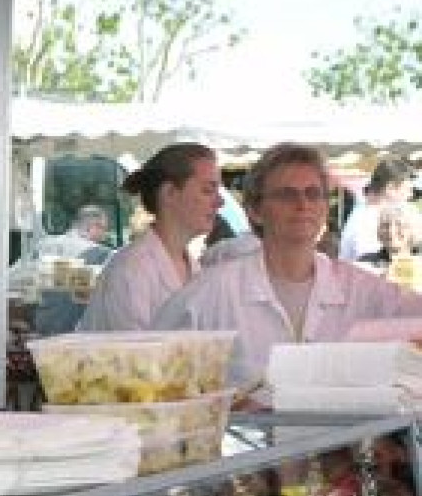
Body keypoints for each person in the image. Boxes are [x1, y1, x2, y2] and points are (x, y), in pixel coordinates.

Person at [151, 142, 422, 396]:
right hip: (245, 446)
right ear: (255, 210)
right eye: (286, 195)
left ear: (325, 208)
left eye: (313, 194)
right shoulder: (210, 293)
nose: (302, 204)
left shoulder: (359, 287)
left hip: (342, 446)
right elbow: (152, 373)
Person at [78, 143, 221, 332]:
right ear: (169, 193)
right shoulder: (132, 270)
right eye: (207, 190)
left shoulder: (193, 267)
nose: (220, 202)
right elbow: (134, 357)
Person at [338, 156, 414, 261]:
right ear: (390, 188)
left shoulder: (369, 215)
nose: (410, 195)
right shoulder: (368, 222)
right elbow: (371, 269)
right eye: (408, 189)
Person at [36, 203, 112, 265]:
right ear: (92, 227)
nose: (105, 234)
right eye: (104, 228)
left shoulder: (44, 244)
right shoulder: (100, 253)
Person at [356, 204, 418, 271]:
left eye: (400, 225)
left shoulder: (419, 264)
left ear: (413, 230)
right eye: (385, 225)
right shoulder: (365, 263)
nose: (391, 231)